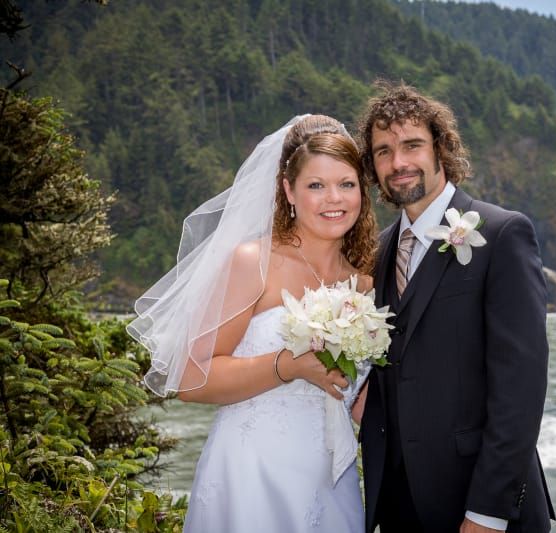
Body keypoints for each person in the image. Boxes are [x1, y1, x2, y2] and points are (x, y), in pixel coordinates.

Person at [127, 115, 377, 532]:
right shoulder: (254, 264)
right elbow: (190, 379)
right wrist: (288, 365)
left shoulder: (365, 284)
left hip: (332, 480)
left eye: (346, 184)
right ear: (288, 190)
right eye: (316, 185)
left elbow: (357, 397)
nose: (334, 198)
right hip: (252, 473)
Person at [357, 83, 556, 532]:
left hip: (482, 509)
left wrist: (486, 513)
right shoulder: (380, 251)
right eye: (383, 151)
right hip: (400, 508)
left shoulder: (502, 234)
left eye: (412, 145)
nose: (399, 163)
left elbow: (520, 389)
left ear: (440, 150)